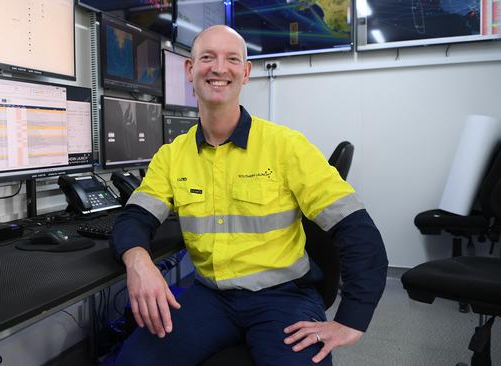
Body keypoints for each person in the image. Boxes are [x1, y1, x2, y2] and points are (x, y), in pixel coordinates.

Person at [109, 25, 388, 366]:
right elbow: (134, 217)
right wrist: (138, 261)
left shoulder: (285, 146)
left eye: (232, 59)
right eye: (207, 57)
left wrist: (352, 320)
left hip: (284, 298)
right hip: (210, 297)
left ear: (246, 72)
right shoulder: (172, 156)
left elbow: (356, 229)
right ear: (189, 70)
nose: (219, 68)